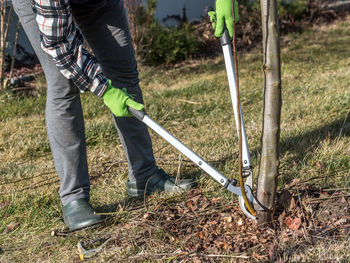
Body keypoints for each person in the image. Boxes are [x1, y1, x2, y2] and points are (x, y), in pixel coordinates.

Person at [12, 0, 236, 231]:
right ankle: (74, 198)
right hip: (43, 10)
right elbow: (59, 42)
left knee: (124, 72)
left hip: (101, 5)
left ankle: (144, 175)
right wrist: (104, 89)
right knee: (64, 86)